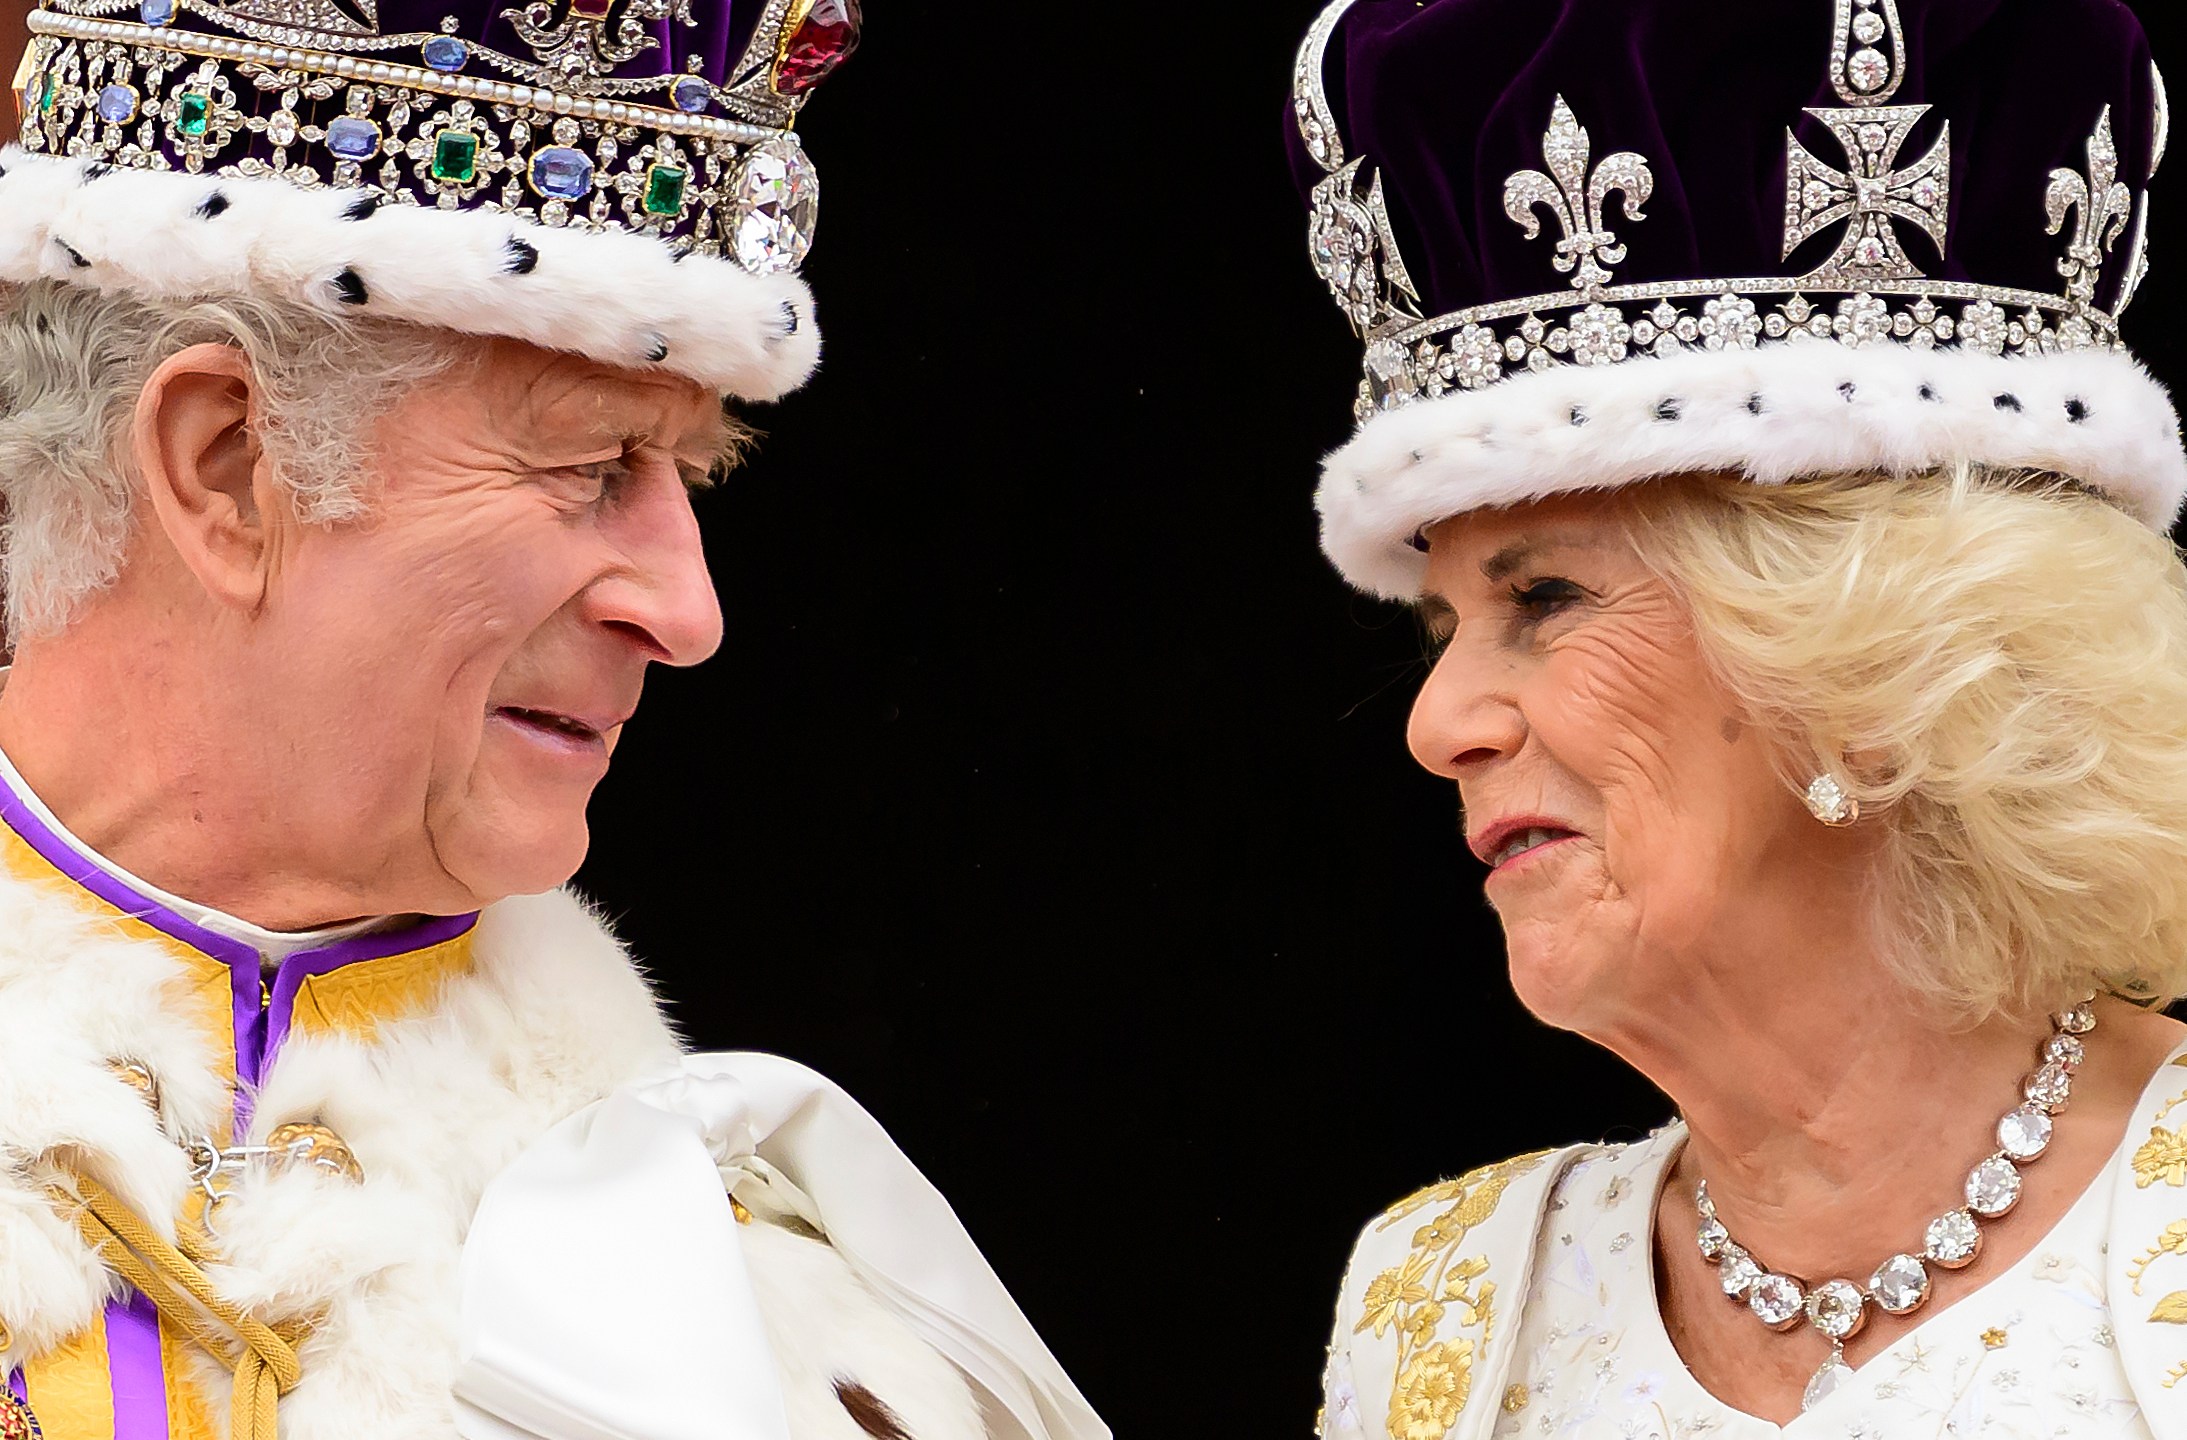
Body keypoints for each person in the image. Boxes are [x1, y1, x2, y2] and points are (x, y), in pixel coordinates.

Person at [0, 1, 1107, 1438]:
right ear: (225, 468)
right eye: (596, 465)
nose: (689, 613)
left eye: (687, 478)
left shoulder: (761, 1322)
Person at [1287, 0, 2187, 1435]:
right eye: (1444, 628)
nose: (1438, 721)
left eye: (1548, 598)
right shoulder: (1439, 1311)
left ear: (1884, 661)